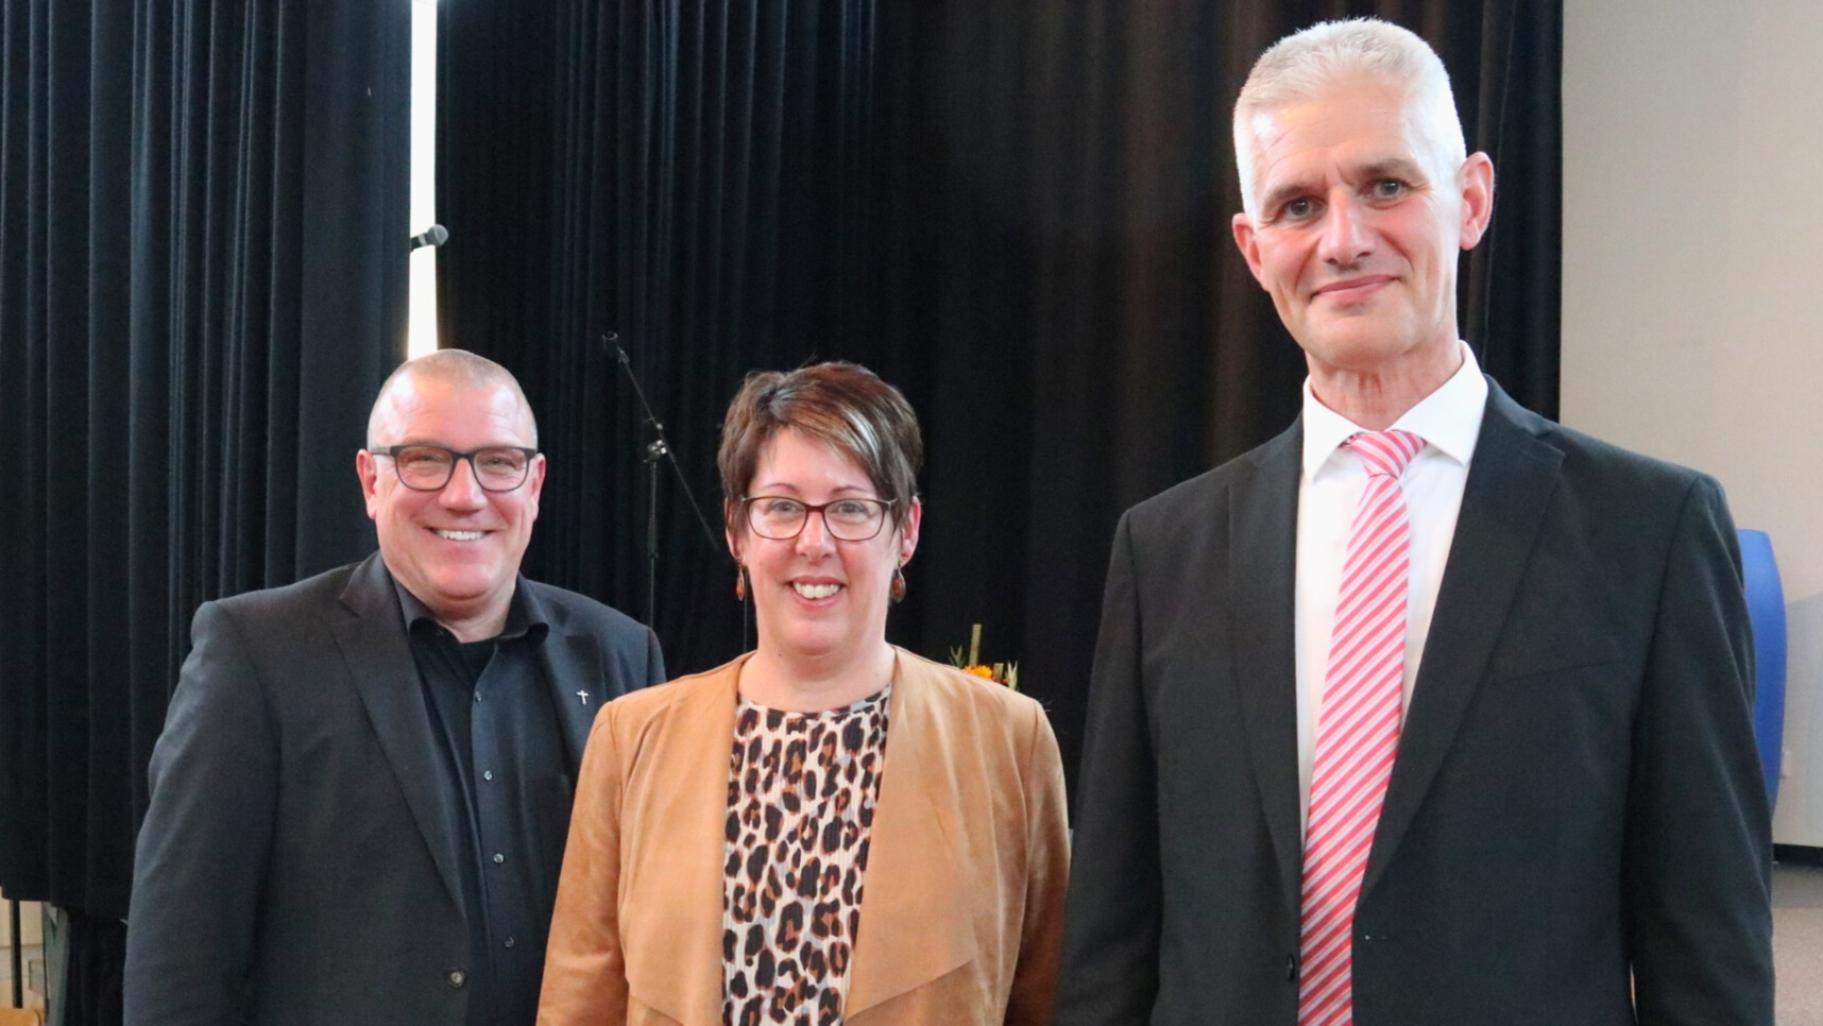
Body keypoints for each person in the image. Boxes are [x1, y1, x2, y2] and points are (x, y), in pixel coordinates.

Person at [1055, 18, 1772, 1026]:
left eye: (1385, 185)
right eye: (1297, 205)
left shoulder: (1646, 534)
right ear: (1253, 250)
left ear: (1469, 199)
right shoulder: (1165, 549)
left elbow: (1708, 954)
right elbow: (1112, 942)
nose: (1342, 240)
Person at [124, 350, 665, 1026]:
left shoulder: (618, 654)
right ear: (370, 480)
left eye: (497, 462)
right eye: (424, 459)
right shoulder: (258, 652)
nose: (464, 494)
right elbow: (180, 946)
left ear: (534, 483)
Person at [537, 361, 1069, 1026]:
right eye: (782, 507)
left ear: (905, 530)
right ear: (736, 530)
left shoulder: (1007, 741)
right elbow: (579, 1008)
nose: (814, 542)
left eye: (850, 508)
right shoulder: (632, 738)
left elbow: (1050, 998)